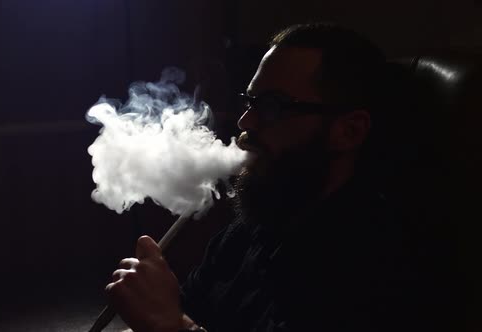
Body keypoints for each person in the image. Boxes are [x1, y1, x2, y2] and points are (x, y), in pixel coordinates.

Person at [104, 23, 460, 332]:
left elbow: (176, 322)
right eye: (250, 101)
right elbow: (190, 310)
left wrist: (169, 325)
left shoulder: (374, 263)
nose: (245, 123)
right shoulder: (258, 222)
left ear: (350, 131)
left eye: (272, 106)